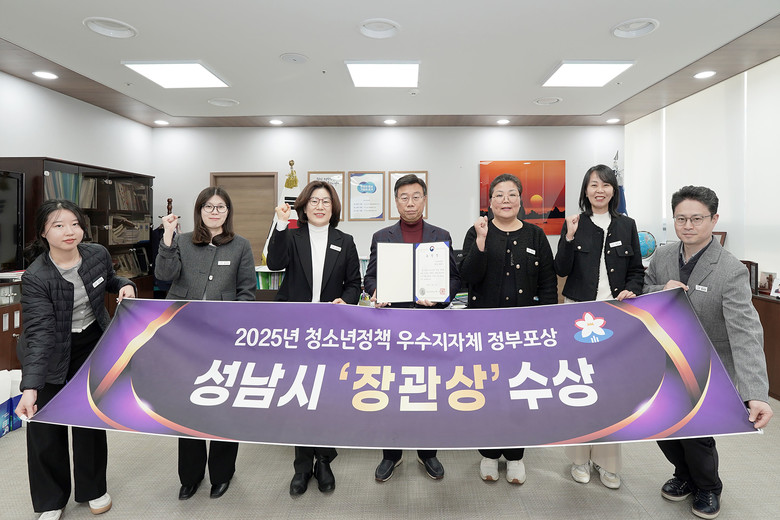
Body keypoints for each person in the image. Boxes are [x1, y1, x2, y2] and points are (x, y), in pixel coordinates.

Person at [644, 185, 773, 519]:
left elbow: (745, 333)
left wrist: (756, 393)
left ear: (714, 220)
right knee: (662, 428)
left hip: (707, 368)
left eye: (697, 219)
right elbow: (644, 293)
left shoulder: (730, 269)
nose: (688, 225)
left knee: (696, 436)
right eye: (681, 218)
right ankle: (683, 475)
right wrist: (661, 289)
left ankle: (708, 487)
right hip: (665, 362)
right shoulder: (662, 256)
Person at [16, 199, 136, 520]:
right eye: (58, 225)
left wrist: (125, 285)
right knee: (45, 428)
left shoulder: (96, 254)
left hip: (90, 344)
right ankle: (51, 500)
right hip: (49, 351)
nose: (69, 231)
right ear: (43, 233)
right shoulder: (36, 277)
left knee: (88, 420)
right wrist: (30, 387)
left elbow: (110, 280)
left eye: (74, 224)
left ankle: (93, 488)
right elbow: (40, 333)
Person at [155, 186, 256, 501]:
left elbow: (247, 291)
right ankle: (190, 476)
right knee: (187, 405)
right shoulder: (183, 241)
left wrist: (234, 327)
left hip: (223, 337)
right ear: (199, 211)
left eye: (221, 206)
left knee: (223, 404)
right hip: (184, 335)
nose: (215, 212)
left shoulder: (240, 245)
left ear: (228, 211)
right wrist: (167, 237)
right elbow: (164, 274)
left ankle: (222, 473)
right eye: (208, 206)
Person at [459, 173, 557, 485]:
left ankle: (515, 456)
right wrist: (481, 241)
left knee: (518, 391)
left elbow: (548, 283)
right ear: (489, 202)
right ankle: (489, 453)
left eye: (512, 194)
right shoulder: (477, 231)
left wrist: (545, 325)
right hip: (483, 330)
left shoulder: (535, 235)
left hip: (522, 332)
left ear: (520, 200)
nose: (505, 200)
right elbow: (468, 276)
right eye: (499, 194)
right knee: (488, 392)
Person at [266, 180, 362, 496]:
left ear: (333, 208)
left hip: (331, 330)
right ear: (304, 207)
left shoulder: (345, 241)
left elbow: (354, 283)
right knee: (301, 397)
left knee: (324, 397)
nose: (320, 206)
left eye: (326, 201)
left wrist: (347, 301)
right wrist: (280, 224)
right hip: (296, 329)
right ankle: (302, 466)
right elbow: (275, 263)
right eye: (314, 201)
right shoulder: (291, 236)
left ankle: (324, 461)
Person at [363, 173, 461, 482]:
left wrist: (441, 297)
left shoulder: (440, 234)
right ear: (396, 201)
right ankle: (391, 455)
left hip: (429, 325)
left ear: (425, 200)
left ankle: (427, 452)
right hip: (393, 326)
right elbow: (370, 277)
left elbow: (455, 278)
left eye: (416, 197)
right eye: (404, 197)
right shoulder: (382, 236)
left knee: (428, 389)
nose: (410, 203)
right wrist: (375, 292)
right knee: (392, 390)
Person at [553, 164, 644, 490]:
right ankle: (579, 458)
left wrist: (631, 289)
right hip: (578, 313)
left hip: (615, 315)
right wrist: (569, 237)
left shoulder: (627, 225)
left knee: (611, 390)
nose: (599, 190)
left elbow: (636, 270)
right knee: (580, 386)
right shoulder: (575, 223)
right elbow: (560, 268)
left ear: (613, 190)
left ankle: (608, 463)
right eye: (593, 185)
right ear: (585, 190)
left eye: (605, 185)